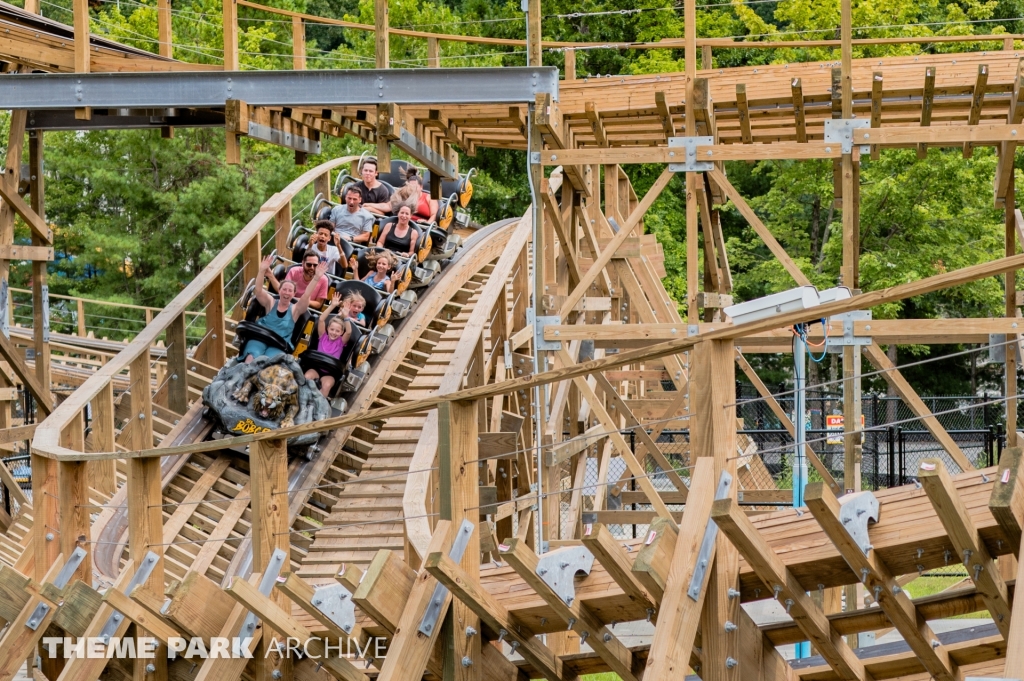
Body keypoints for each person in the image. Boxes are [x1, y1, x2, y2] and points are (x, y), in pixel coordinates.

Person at [241, 256, 325, 363]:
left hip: (279, 343)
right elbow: (258, 291)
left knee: (268, 362)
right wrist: (262, 271)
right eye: (284, 289)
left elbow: (306, 295)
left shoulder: (295, 309)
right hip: (261, 337)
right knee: (252, 356)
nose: (286, 292)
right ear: (279, 291)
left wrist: (316, 278)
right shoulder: (270, 302)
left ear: (294, 294)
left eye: (290, 291)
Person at [304, 292, 352, 397]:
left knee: (326, 385)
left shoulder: (341, 342)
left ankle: (318, 409)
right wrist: (332, 305)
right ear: (328, 328)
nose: (334, 333)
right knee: (307, 377)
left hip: (330, 373)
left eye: (337, 331)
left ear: (341, 332)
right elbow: (321, 319)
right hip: (316, 368)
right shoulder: (323, 336)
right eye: (332, 329)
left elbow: (348, 332)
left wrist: (346, 316)